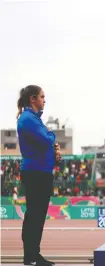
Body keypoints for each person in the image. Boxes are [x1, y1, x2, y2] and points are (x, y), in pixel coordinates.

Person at [16, 85, 61, 266]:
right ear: (32, 99)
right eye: (42, 97)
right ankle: (31, 257)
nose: (44, 100)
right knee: (34, 216)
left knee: (37, 216)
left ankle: (34, 255)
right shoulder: (28, 119)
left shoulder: (33, 119)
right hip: (36, 172)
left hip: (40, 171)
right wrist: (52, 137)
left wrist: (55, 152)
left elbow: (45, 143)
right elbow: (46, 139)